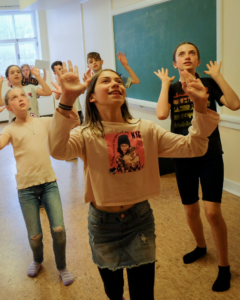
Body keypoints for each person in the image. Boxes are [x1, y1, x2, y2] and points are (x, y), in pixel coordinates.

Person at [47, 61, 219, 300]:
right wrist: (66, 99)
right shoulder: (86, 133)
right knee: (113, 292)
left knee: (143, 294)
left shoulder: (146, 129)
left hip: (140, 221)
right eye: (105, 81)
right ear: (92, 97)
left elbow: (195, 146)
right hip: (102, 225)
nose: (115, 83)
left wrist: (200, 106)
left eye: (118, 80)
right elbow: (58, 150)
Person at [154, 42, 240, 292]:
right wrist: (163, 84)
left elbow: (235, 104)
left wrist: (217, 76)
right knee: (190, 210)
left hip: (210, 154)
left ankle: (224, 267)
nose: (187, 56)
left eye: (192, 53)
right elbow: (161, 114)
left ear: (198, 61)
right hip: (182, 154)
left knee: (212, 213)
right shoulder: (171, 89)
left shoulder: (209, 84)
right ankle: (201, 247)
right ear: (175, 63)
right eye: (181, 53)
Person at [0, 88, 77, 286]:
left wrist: (67, 98)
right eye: (14, 98)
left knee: (59, 229)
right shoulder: (11, 129)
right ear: (9, 107)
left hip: (49, 184)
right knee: (35, 236)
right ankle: (37, 260)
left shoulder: (43, 121)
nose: (20, 99)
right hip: (26, 188)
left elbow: (73, 121)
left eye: (22, 95)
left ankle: (61, 266)